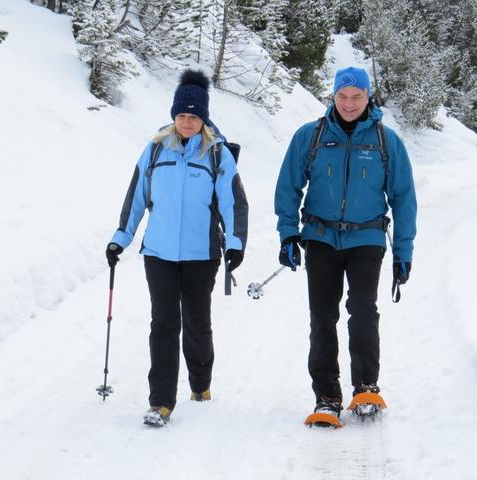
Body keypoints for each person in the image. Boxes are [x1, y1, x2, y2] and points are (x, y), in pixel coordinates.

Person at [106, 69, 248, 427]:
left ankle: (200, 384)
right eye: (182, 115)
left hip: (202, 255)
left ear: (204, 118)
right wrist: (120, 237)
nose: (187, 122)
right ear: (174, 116)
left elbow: (234, 203)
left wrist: (235, 242)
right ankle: (161, 402)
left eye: (194, 116)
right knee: (164, 323)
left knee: (197, 322)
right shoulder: (155, 149)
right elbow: (136, 196)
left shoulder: (216, 154)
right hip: (159, 253)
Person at [274, 66, 417, 419]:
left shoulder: (386, 141)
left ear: (368, 97)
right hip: (321, 237)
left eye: (356, 96)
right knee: (322, 316)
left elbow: (403, 198)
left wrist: (403, 251)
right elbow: (288, 187)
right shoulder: (311, 136)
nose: (349, 104)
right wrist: (288, 233)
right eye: (342, 96)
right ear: (333, 97)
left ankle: (366, 388)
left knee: (363, 311)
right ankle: (326, 396)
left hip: (367, 237)